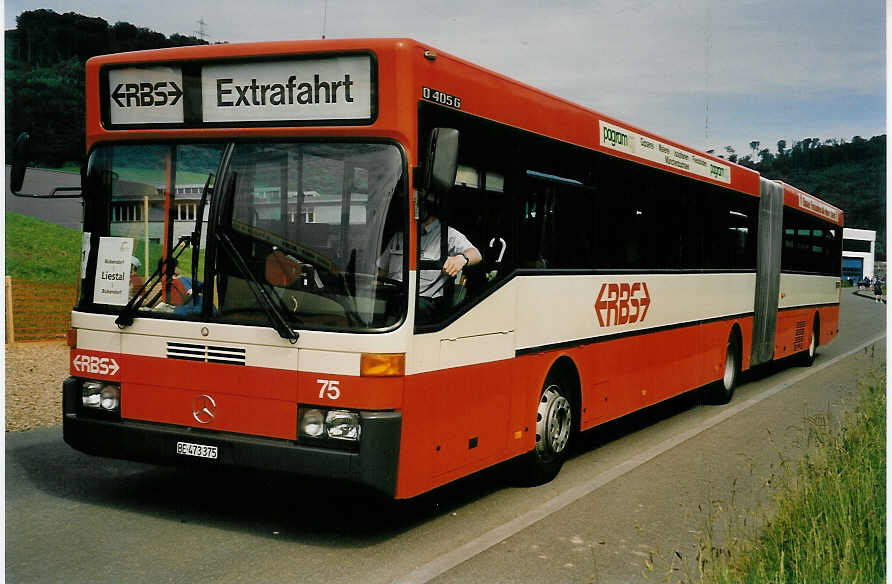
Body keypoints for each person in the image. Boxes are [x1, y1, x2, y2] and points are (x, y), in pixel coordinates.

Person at [379, 195, 482, 321]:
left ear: (426, 209)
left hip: (422, 302)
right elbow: (381, 271)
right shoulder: (400, 235)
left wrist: (461, 259)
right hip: (391, 296)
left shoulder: (448, 235)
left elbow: (476, 254)